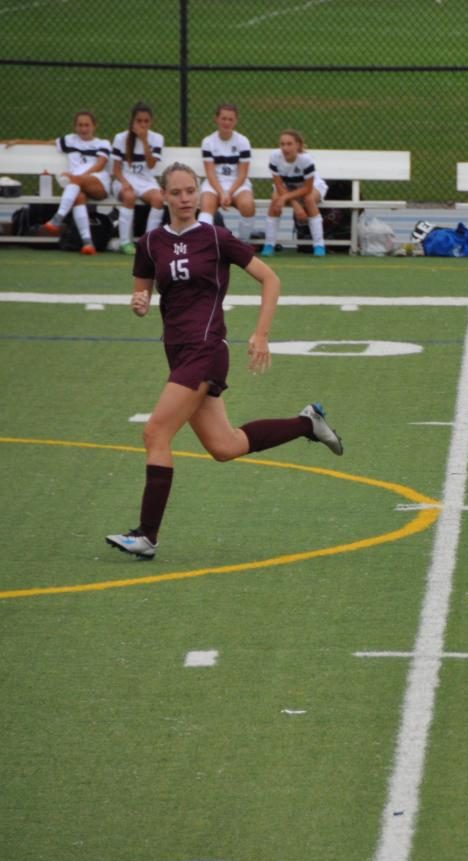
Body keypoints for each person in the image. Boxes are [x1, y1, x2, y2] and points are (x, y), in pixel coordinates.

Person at [105, 163, 345, 561]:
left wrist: (261, 334)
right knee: (224, 446)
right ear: (163, 196)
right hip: (178, 351)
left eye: (190, 191)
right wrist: (139, 303)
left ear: (198, 194)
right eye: (177, 192)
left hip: (206, 349)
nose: (184, 198)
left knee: (155, 433)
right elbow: (142, 298)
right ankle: (309, 423)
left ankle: (146, 536)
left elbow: (271, 279)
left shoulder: (215, 238)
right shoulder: (150, 244)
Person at [40, 110, 112, 255]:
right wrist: (16, 141)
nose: (83, 129)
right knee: (78, 197)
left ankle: (57, 219)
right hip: (77, 185)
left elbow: (101, 164)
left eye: (87, 125)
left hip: (98, 183)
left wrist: (78, 177)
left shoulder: (102, 143)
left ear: (94, 126)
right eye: (80, 125)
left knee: (73, 182)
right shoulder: (69, 140)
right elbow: (45, 143)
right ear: (75, 126)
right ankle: (87, 243)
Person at [108, 102, 165, 255]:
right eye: (139, 121)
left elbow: (152, 165)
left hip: (146, 181)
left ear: (151, 122)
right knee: (129, 196)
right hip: (124, 179)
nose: (142, 124)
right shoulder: (120, 138)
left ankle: (147, 242)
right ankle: (125, 242)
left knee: (159, 199)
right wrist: (125, 183)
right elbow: (116, 170)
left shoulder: (157, 138)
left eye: (146, 121)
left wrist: (145, 141)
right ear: (133, 121)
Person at [265, 129, 328, 257]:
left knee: (309, 199)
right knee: (275, 200)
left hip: (309, 187)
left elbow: (307, 189)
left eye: (289, 144)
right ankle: (269, 244)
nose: (285, 148)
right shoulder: (274, 157)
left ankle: (319, 245)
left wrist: (288, 199)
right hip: (286, 187)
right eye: (282, 144)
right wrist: (296, 206)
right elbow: (279, 184)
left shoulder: (306, 160)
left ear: (298, 145)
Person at [199, 103, 256, 242]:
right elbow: (211, 173)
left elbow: (242, 174)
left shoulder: (243, 141)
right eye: (223, 118)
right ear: (217, 119)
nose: (227, 122)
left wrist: (229, 193)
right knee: (206, 205)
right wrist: (221, 193)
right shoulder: (208, 142)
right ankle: (201, 243)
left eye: (230, 119)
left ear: (235, 121)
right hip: (214, 183)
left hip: (237, 183)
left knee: (248, 206)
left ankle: (243, 244)